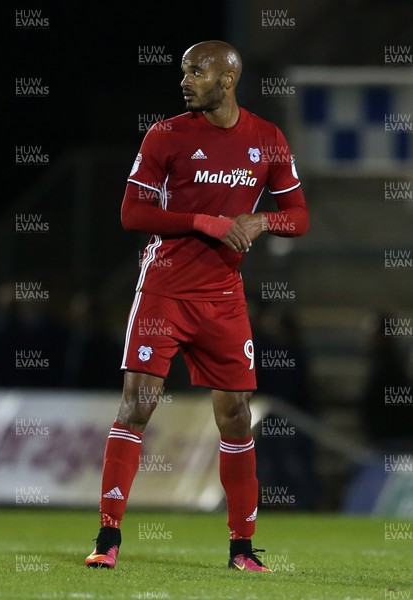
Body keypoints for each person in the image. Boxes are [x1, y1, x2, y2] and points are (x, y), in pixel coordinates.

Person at [84, 39, 309, 572]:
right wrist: (200, 221)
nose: (185, 81)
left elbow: (298, 215)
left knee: (235, 415)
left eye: (196, 72)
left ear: (227, 80)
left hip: (224, 298)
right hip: (163, 288)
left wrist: (262, 220)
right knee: (138, 405)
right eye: (183, 71)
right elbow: (132, 214)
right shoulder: (166, 135)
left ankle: (242, 548)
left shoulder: (267, 139)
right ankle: (107, 537)